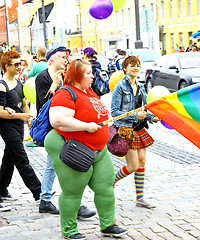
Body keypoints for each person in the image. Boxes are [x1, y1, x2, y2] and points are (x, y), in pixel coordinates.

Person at [44, 58, 128, 239]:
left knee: (105, 188)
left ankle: (108, 224)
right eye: (88, 73)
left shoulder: (89, 92)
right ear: (76, 75)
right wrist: (86, 126)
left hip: (98, 150)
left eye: (91, 72)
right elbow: (57, 120)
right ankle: (69, 230)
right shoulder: (65, 93)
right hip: (75, 150)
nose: (92, 76)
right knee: (73, 191)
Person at [35, 45, 96, 218]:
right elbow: (42, 105)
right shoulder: (43, 77)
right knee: (63, 165)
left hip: (64, 127)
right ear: (53, 58)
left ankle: (46, 199)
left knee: (54, 165)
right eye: (62, 57)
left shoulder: (63, 77)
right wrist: (54, 86)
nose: (65, 61)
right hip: (52, 128)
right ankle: (74, 204)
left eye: (66, 58)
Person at [111, 55, 159, 209]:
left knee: (142, 162)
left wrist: (152, 117)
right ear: (125, 69)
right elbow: (114, 112)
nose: (136, 68)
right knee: (132, 166)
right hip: (126, 129)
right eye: (132, 65)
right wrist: (134, 115)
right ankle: (111, 181)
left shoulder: (141, 86)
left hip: (139, 129)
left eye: (138, 65)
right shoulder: (120, 86)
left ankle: (140, 198)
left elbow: (144, 108)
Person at [0, 50, 41, 210]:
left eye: (20, 63)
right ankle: (39, 192)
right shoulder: (2, 86)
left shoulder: (19, 83)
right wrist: (21, 116)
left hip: (18, 125)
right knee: (21, 159)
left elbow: (24, 103)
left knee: (8, 159)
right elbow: (1, 111)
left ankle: (1, 189)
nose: (19, 66)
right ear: (6, 66)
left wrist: (29, 117)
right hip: (7, 126)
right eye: (16, 64)